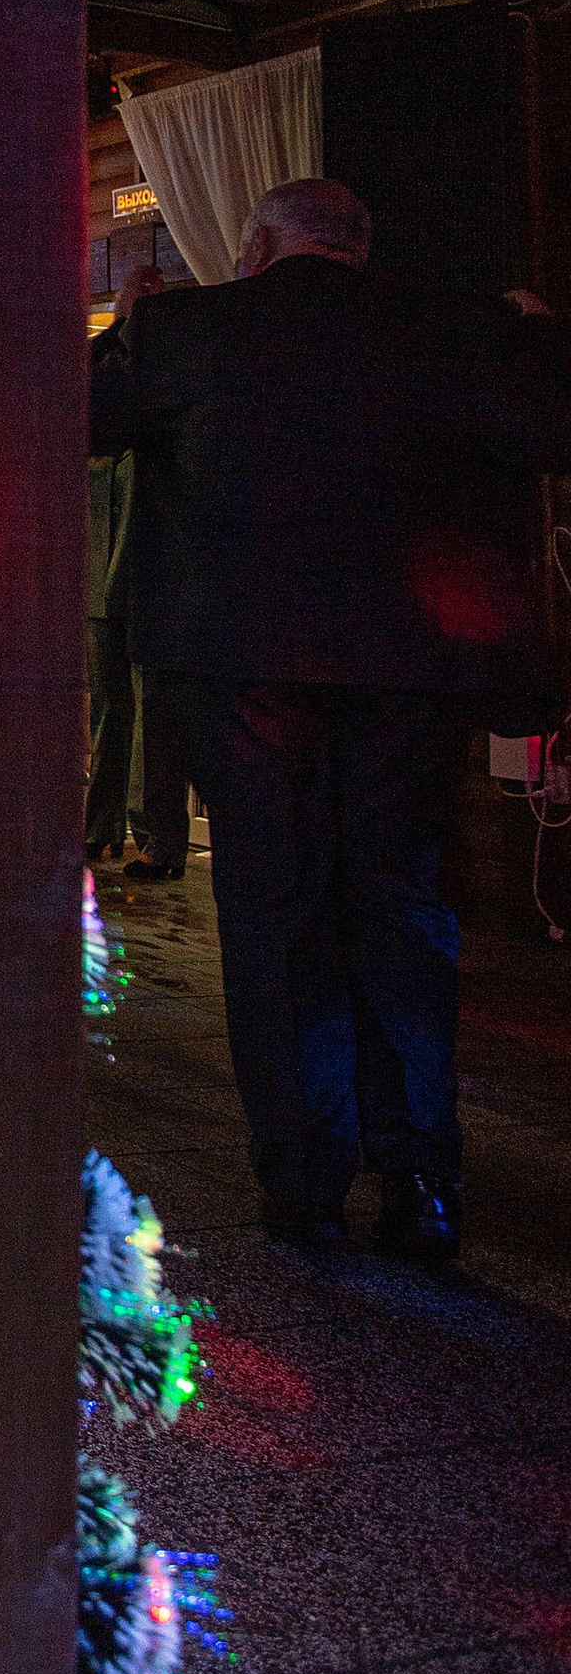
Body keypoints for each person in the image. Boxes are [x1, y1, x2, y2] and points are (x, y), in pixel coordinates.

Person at [90, 174, 571, 1261]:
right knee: (397, 901)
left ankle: (304, 1184)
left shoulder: (189, 328)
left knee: (272, 905)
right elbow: (551, 433)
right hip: (406, 664)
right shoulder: (447, 330)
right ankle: (418, 1181)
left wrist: (125, 334)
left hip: (240, 662)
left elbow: (68, 424)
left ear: (258, 244)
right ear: (359, 245)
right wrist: (541, 337)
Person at [87, 437, 189, 879]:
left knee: (154, 712)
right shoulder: (95, 446)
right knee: (111, 704)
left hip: (149, 588)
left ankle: (159, 840)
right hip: (97, 582)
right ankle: (102, 825)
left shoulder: (155, 448)